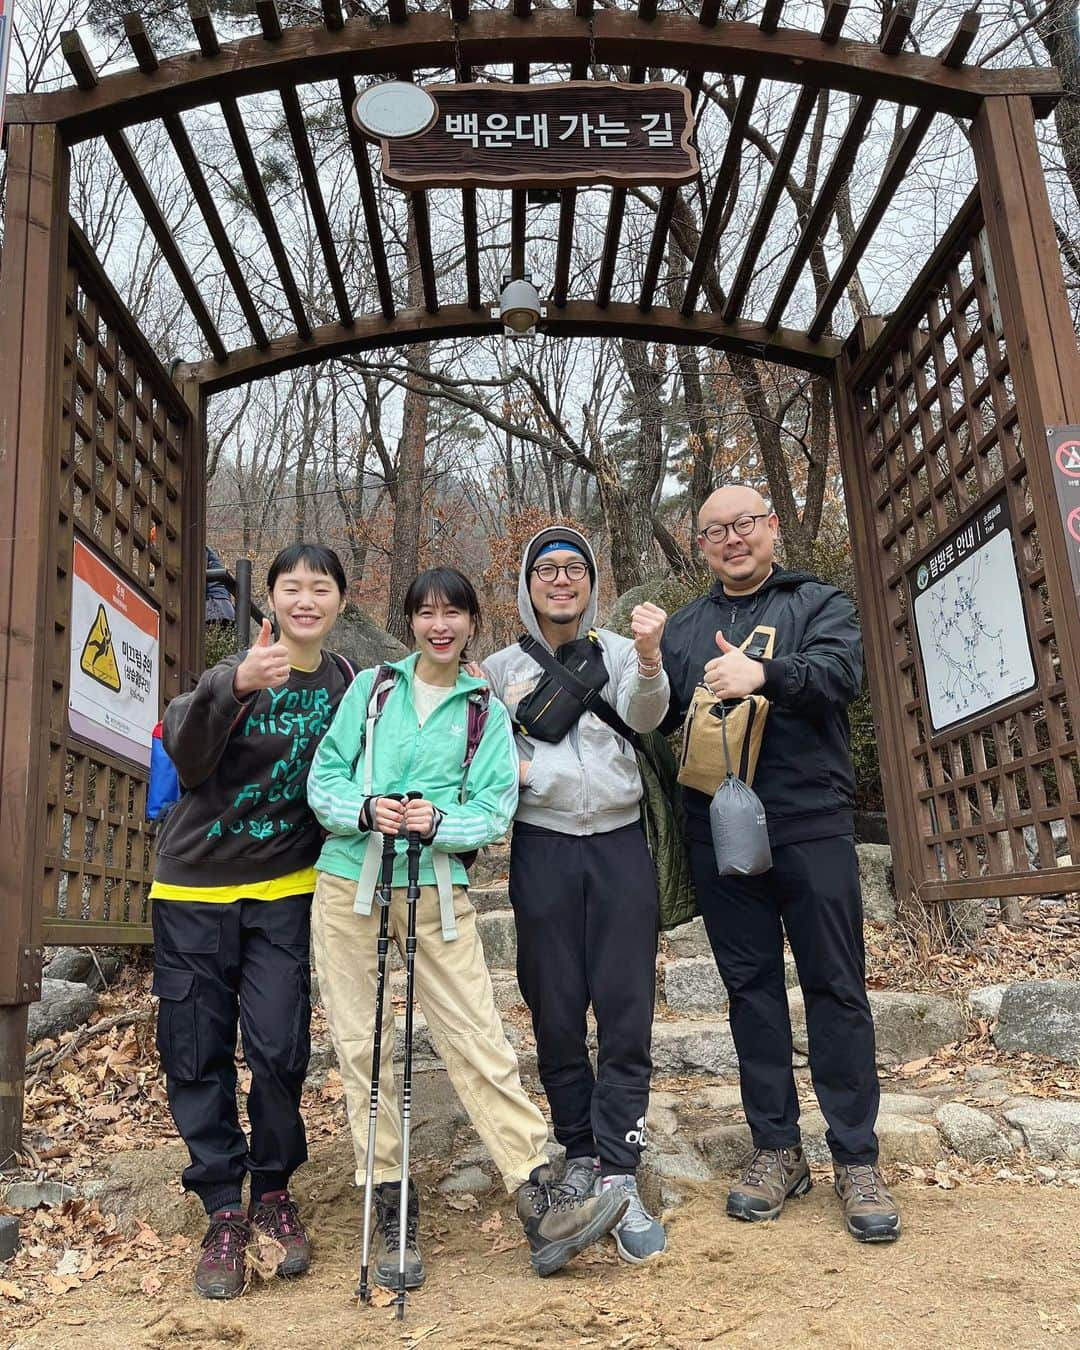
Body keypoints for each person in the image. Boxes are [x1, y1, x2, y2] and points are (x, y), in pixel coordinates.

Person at [306, 566, 627, 1291]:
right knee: (362, 1046)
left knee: (478, 1037)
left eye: (453, 613)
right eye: (425, 613)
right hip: (348, 885)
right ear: (410, 621)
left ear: (471, 622)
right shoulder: (373, 689)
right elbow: (326, 775)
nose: (439, 625)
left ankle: (535, 1194)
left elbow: (494, 804)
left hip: (436, 889)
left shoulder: (483, 705)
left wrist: (439, 822)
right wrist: (363, 809)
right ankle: (389, 1200)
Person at [661, 486, 900, 1244]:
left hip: (809, 821)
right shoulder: (688, 627)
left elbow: (842, 677)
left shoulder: (817, 603)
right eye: (714, 531)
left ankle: (856, 1158)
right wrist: (641, 661)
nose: (732, 540)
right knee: (750, 991)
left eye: (744, 525)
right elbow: (657, 713)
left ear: (769, 528)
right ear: (699, 545)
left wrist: (765, 675)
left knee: (835, 985)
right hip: (717, 829)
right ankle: (776, 1150)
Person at [150, 543, 352, 1300]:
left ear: (339, 602)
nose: (306, 600)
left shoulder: (345, 684)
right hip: (194, 890)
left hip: (284, 890)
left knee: (278, 1047)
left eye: (321, 588)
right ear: (269, 599)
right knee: (195, 1051)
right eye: (292, 588)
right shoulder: (233, 672)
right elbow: (189, 756)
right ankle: (219, 1208)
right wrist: (234, 685)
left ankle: (271, 1190)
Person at [483, 528, 670, 1263]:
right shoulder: (498, 669)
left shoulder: (622, 651)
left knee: (626, 1008)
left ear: (592, 580)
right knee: (555, 1007)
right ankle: (579, 1154)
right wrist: (531, 781)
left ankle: (620, 1170)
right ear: (527, 584)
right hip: (544, 850)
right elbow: (493, 759)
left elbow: (647, 714)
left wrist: (650, 660)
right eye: (547, 569)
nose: (561, 580)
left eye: (574, 569)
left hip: (622, 844)